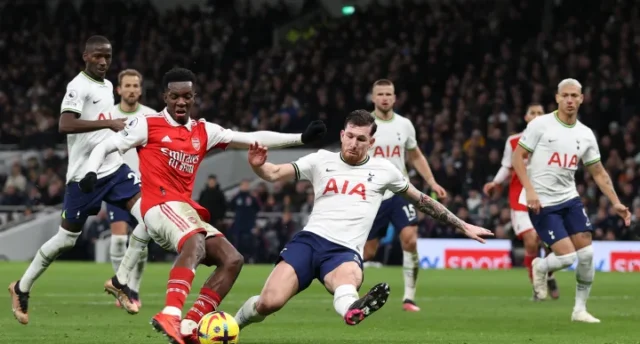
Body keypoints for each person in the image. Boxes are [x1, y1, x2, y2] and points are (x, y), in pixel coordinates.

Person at [79, 67, 327, 344]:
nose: (181, 102)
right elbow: (105, 146)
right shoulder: (148, 124)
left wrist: (300, 139)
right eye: (175, 96)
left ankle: (190, 325)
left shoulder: (204, 131)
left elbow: (251, 136)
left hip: (184, 211)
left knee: (232, 259)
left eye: (187, 96)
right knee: (194, 239)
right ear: (165, 97)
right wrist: (90, 172)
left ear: (194, 97)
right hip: (158, 206)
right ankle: (171, 313)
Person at [234, 110, 492, 330]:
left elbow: (421, 199)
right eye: (349, 136)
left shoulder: (384, 171)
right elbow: (275, 172)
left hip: (344, 251)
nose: (353, 143)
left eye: (361, 138)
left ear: (371, 141)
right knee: (269, 302)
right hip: (310, 241)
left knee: (348, 280)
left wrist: (462, 225)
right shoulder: (321, 160)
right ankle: (233, 326)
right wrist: (258, 166)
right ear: (341, 135)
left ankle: (353, 310)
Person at [8, 35, 147, 325]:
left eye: (107, 56)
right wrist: (108, 123)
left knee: (149, 218)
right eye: (97, 56)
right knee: (64, 241)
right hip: (84, 175)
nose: (103, 61)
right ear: (85, 56)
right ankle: (21, 287)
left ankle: (121, 282)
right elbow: (65, 124)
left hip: (114, 168)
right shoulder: (77, 86)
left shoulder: (108, 85)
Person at [512, 78, 631, 323]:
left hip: (569, 198)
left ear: (581, 99)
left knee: (586, 255)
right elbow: (518, 157)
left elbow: (598, 171)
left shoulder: (585, 134)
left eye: (574, 96)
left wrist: (615, 202)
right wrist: (530, 190)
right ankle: (541, 267)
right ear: (557, 98)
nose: (569, 100)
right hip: (541, 201)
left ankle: (579, 310)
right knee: (567, 258)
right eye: (565, 95)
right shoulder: (540, 125)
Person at [363, 79, 448, 312]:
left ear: (395, 97)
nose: (384, 98)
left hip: (400, 190)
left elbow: (416, 155)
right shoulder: (363, 124)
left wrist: (431, 182)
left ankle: (409, 298)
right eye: (380, 94)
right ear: (373, 98)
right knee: (367, 252)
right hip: (372, 194)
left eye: (388, 94)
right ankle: (346, 288)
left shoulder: (405, 125)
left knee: (410, 239)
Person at [483, 103, 560, 301]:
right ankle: (536, 286)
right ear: (526, 117)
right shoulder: (514, 141)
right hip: (520, 197)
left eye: (540, 113)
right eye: (532, 112)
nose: (535, 115)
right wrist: (495, 182)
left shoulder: (553, 140)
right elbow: (507, 167)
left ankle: (548, 273)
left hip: (546, 196)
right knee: (531, 239)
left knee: (551, 243)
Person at [109, 69, 157, 309]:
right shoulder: (108, 116)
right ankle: (122, 287)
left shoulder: (151, 116)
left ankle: (134, 288)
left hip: (144, 188)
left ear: (140, 89)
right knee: (118, 241)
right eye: (127, 86)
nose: (131, 90)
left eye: (135, 86)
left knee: (141, 239)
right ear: (119, 89)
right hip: (114, 184)